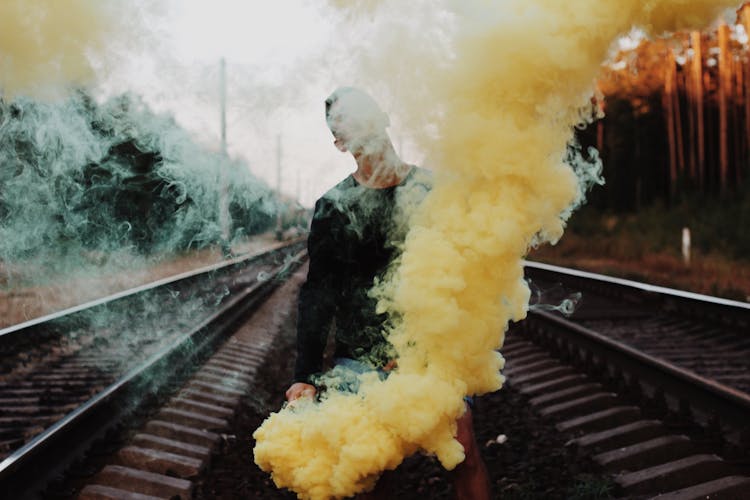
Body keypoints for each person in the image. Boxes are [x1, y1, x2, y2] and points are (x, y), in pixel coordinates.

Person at [285, 87, 490, 500]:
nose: (364, 133)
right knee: (364, 465)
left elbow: (469, 276)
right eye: (350, 128)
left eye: (367, 119)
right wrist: (304, 376)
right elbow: (318, 294)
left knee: (462, 449)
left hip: (431, 354)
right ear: (340, 143)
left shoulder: (435, 191)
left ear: (384, 119)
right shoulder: (333, 207)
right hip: (358, 356)